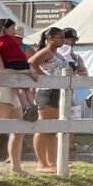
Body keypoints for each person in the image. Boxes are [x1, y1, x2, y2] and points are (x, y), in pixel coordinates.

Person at [0, 17, 35, 177]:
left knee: (18, 131)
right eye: (11, 30)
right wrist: (25, 71)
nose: (14, 33)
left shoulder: (11, 45)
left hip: (13, 91)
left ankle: (16, 167)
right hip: (0, 91)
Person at [27, 27, 69, 174]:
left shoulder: (58, 54)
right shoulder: (46, 52)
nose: (62, 40)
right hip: (47, 92)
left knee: (52, 131)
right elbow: (31, 62)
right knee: (43, 128)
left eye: (63, 37)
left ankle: (51, 162)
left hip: (58, 92)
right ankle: (41, 163)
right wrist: (44, 77)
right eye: (60, 37)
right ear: (50, 38)